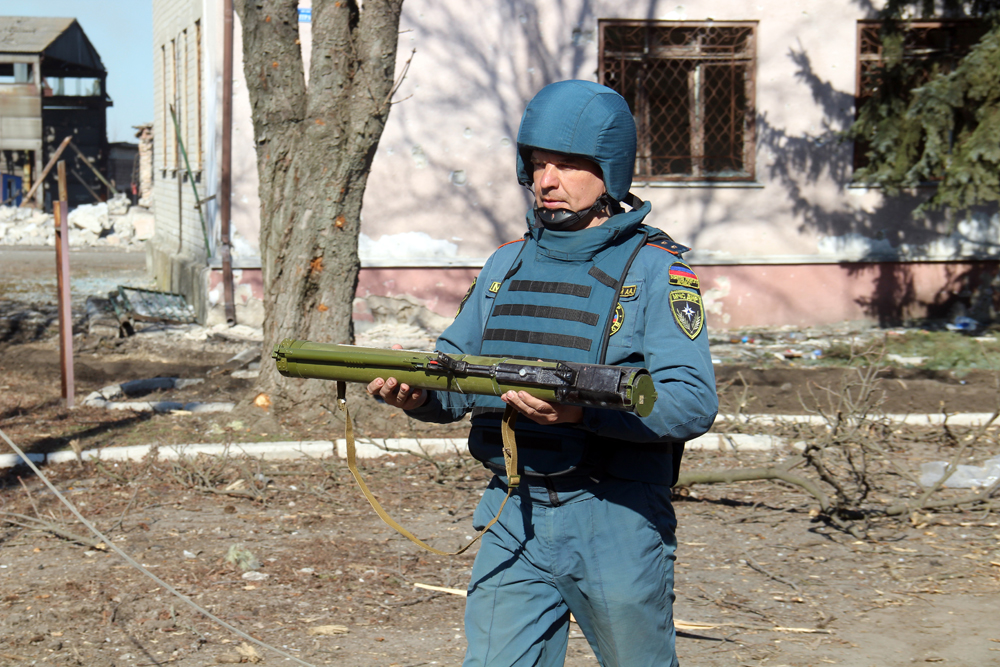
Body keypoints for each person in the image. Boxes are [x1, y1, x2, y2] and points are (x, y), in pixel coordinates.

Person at [367, 80, 718, 667]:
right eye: (536, 164)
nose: (546, 181)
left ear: (610, 170)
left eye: (568, 165)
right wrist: (416, 396)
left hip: (616, 520)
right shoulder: (506, 264)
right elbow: (457, 377)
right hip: (513, 514)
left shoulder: (657, 271)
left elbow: (690, 403)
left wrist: (582, 411)